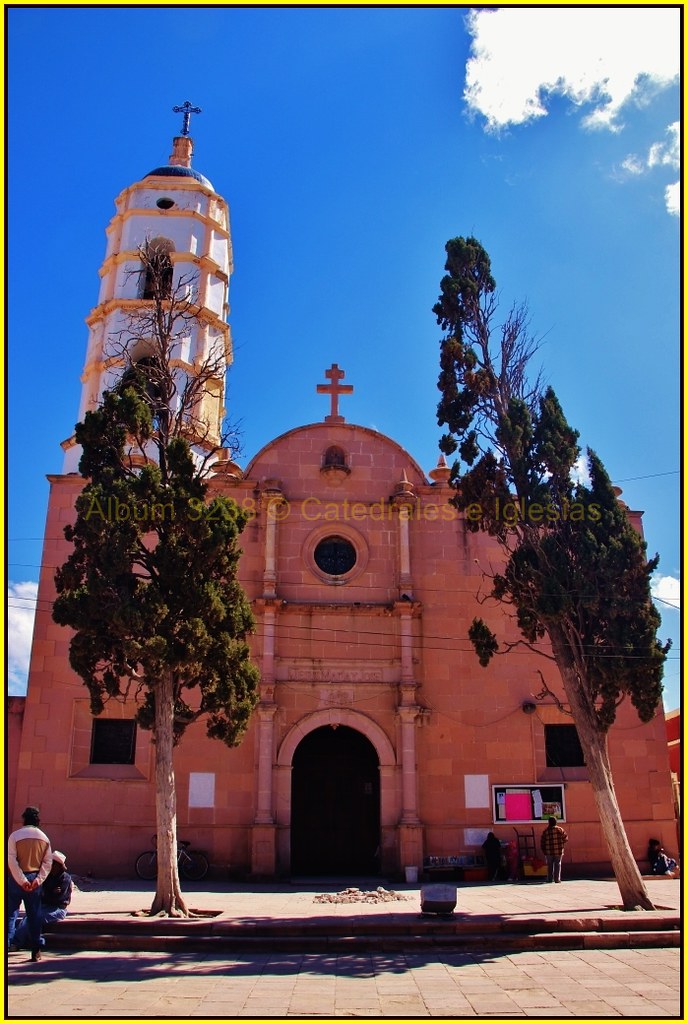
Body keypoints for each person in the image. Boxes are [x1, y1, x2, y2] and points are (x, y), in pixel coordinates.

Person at [7, 806, 53, 962]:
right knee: (34, 916)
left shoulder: (14, 836)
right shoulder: (44, 838)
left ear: (24, 819)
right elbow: (47, 863)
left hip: (15, 879)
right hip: (34, 879)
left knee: (10, 915)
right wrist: (37, 880)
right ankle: (36, 950)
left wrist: (21, 880)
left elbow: (11, 860)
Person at [11, 850, 72, 950]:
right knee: (26, 919)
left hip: (57, 909)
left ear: (58, 866)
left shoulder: (65, 879)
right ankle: (16, 941)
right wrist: (49, 892)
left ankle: (16, 943)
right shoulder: (45, 877)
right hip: (43, 906)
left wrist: (45, 893)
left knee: (33, 919)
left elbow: (57, 898)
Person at [540, 816, 568, 883]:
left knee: (549, 865)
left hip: (548, 851)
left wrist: (544, 850)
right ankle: (557, 879)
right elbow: (566, 838)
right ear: (556, 822)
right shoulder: (560, 829)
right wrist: (561, 844)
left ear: (549, 822)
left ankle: (549, 879)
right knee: (557, 864)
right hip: (558, 850)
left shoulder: (546, 831)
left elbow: (542, 841)